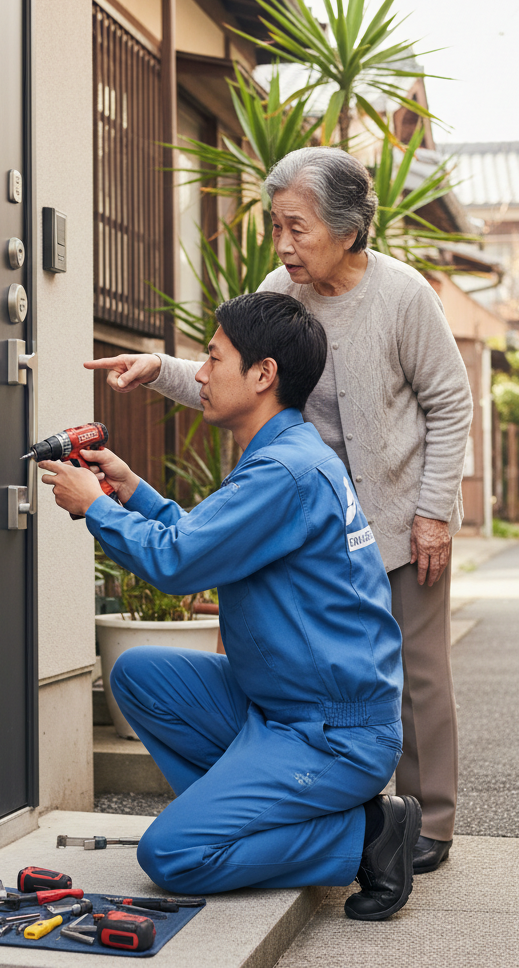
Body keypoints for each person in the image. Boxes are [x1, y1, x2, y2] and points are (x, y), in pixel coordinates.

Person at [85, 147, 473, 874]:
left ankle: (426, 825)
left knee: (415, 677)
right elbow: (236, 370)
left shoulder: (401, 294)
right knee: (284, 662)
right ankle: (266, 821)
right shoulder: (281, 290)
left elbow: (451, 403)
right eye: (277, 227)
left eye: (298, 228)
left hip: (393, 516)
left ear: (349, 227)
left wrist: (433, 512)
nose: (284, 245)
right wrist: (157, 369)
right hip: (298, 524)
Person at [41, 292, 419, 919]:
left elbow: (179, 563)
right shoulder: (285, 456)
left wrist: (96, 506)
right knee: (138, 675)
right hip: (282, 705)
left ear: (263, 375)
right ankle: (244, 825)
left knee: (172, 857)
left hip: (330, 733)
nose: (202, 374)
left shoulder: (285, 473)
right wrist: (130, 491)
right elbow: (202, 538)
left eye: (214, 359)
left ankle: (369, 838)